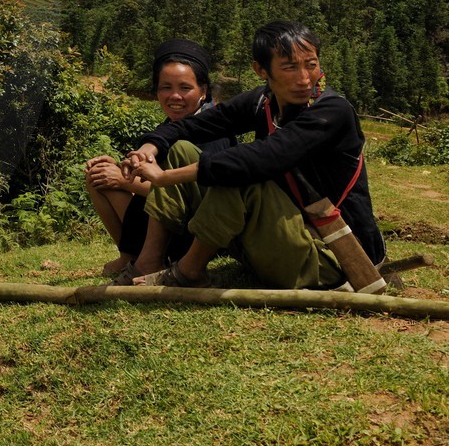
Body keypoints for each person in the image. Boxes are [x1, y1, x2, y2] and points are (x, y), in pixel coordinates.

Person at [120, 20, 384, 289]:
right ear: (261, 70)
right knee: (181, 150)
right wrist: (148, 148)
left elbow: (261, 158)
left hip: (329, 257)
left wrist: (164, 177)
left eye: (311, 64)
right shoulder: (263, 101)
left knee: (242, 174)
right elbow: (194, 125)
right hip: (277, 241)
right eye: (290, 67)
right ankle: (148, 261)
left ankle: (188, 272)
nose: (304, 78)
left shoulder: (331, 112)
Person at [84, 39, 228, 280]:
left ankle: (151, 258)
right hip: (157, 217)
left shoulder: (214, 130)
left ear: (203, 92)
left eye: (185, 88)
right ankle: (129, 254)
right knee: (98, 174)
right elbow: (149, 174)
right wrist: (119, 168)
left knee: (116, 180)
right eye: (165, 87)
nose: (174, 96)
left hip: (191, 230)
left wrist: (124, 181)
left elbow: (185, 195)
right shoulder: (167, 128)